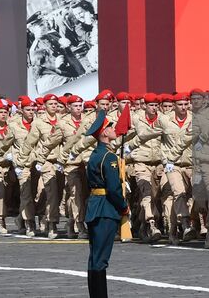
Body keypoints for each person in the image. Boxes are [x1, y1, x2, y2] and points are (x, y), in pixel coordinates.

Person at [84, 110, 128, 298]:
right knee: (101, 260)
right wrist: (123, 206)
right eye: (110, 126)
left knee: (94, 257)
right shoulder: (108, 157)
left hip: (95, 206)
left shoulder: (95, 154)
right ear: (104, 133)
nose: (113, 128)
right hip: (106, 209)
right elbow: (113, 189)